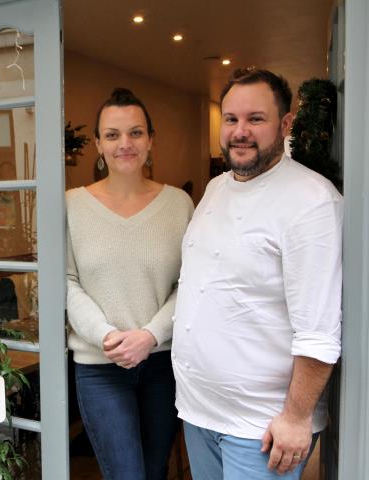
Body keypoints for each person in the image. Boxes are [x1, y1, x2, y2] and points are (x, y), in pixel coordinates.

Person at [172, 68, 343, 479]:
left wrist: (297, 417)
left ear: (285, 124)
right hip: (198, 412)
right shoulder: (216, 188)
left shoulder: (312, 201)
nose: (240, 132)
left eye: (256, 119)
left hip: (262, 429)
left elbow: (319, 331)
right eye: (230, 119)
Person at [66, 87, 194, 480]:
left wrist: (150, 336)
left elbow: (189, 285)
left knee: (154, 472)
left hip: (161, 364)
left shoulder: (179, 205)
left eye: (136, 133)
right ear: (99, 147)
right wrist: (106, 335)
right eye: (113, 135)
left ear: (151, 140)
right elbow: (67, 282)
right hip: (99, 366)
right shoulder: (70, 204)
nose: (125, 144)